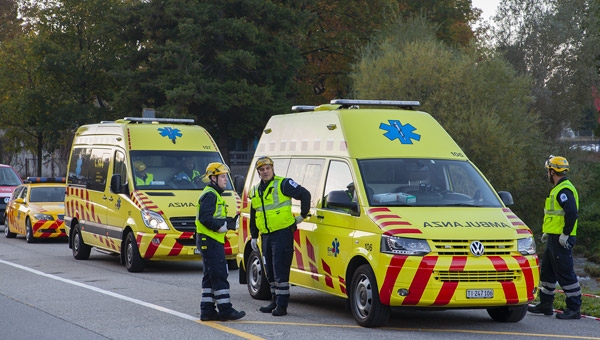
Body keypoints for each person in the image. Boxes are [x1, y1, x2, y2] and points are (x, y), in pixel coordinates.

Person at [249, 156, 311, 316]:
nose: (265, 172)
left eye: (268, 168)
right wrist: (254, 235)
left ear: (272, 168)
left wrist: (302, 216)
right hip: (266, 236)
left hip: (282, 234)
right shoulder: (256, 190)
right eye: (262, 170)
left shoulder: (283, 183)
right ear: (258, 172)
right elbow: (254, 213)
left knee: (280, 269)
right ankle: (275, 301)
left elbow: (305, 194)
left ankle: (282, 306)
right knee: (269, 269)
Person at [528, 155, 582, 320]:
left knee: (565, 273)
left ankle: (574, 308)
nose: (547, 174)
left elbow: (572, 213)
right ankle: (546, 304)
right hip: (554, 237)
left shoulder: (563, 190)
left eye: (548, 171)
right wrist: (549, 232)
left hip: (561, 238)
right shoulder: (558, 188)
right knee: (547, 272)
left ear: (552, 171)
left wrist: (565, 234)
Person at [195, 162, 245, 321]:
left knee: (210, 276)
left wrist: (229, 222)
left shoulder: (213, 193)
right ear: (213, 178)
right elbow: (205, 218)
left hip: (210, 240)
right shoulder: (210, 194)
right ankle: (225, 310)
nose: (226, 180)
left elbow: (213, 217)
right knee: (219, 274)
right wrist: (221, 227)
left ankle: (207, 311)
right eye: (223, 177)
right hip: (210, 240)